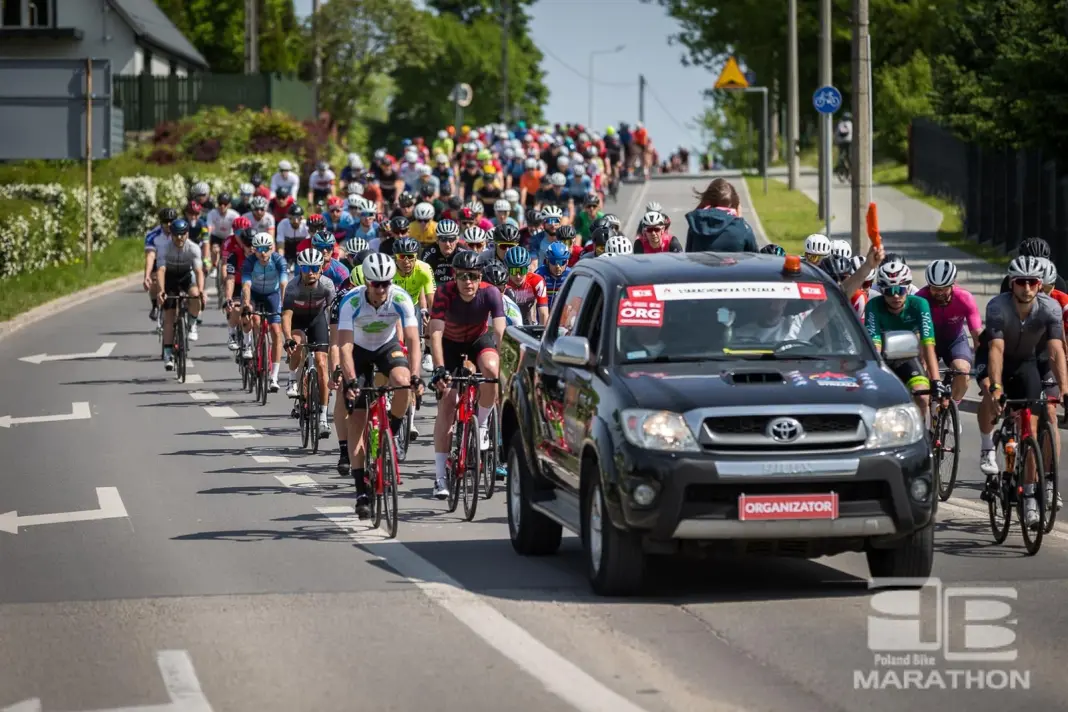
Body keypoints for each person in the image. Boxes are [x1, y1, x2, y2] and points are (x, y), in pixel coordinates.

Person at [976, 256, 1068, 528]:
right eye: (1021, 282)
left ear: (1040, 285)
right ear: (1011, 284)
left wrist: (1064, 388)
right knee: (988, 392)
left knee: (1030, 422)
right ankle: (986, 447)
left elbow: (1055, 349)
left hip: (1026, 361)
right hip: (996, 356)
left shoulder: (1050, 307)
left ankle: (1029, 495)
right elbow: (996, 349)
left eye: (1033, 282)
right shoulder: (997, 307)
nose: (1027, 288)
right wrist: (995, 387)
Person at [337, 253, 422, 516]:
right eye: (376, 284)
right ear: (368, 284)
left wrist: (417, 374)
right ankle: (361, 489)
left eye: (386, 282)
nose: (382, 288)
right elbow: (345, 346)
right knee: (358, 419)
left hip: (386, 347)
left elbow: (413, 339)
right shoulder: (351, 302)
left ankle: (393, 431)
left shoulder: (399, 297)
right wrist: (350, 380)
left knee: (403, 382)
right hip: (359, 352)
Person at [427, 250, 506, 499]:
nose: (468, 282)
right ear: (454, 276)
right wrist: (440, 368)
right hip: (449, 344)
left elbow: (500, 332)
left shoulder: (491, 293)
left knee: (491, 370)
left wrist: (502, 367)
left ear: (480, 275)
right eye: (462, 277)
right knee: (448, 403)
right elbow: (436, 333)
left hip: (477, 340)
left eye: (472, 276)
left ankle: (481, 424)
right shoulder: (444, 293)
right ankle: (440, 477)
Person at [865, 259, 943, 422]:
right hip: (884, 361)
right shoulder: (873, 305)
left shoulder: (920, 304)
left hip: (908, 359)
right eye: (889, 291)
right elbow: (875, 346)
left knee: (922, 397)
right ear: (881, 290)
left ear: (908, 288)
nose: (895, 296)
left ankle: (920, 434)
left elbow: (928, 345)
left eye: (900, 290)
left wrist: (936, 381)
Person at [281, 248, 336, 439]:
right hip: (298, 321)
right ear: (300, 269)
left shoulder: (328, 285)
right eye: (306, 268)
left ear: (321, 268)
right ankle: (291, 378)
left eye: (314, 267)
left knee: (322, 363)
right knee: (298, 342)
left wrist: (333, 335)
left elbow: (332, 313)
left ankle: (322, 417)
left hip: (317, 321)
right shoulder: (292, 287)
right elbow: (287, 315)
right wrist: (287, 337)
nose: (310, 272)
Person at [917, 259, 982, 404]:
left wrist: (984, 367)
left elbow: (977, 335)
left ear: (953, 284)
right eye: (934, 288)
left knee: (962, 371)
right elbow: (913, 334)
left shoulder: (965, 298)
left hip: (954, 340)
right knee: (922, 370)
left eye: (943, 289)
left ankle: (952, 407)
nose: (939, 293)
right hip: (927, 342)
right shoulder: (919, 298)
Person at [154, 218, 206, 370]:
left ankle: (192, 323)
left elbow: (198, 271)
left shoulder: (194, 248)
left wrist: (202, 290)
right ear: (171, 234)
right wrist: (161, 291)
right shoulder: (164, 248)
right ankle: (168, 353)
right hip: (170, 278)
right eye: (176, 234)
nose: (179, 238)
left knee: (195, 295)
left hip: (185, 276)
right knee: (169, 315)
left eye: (182, 234)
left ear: (187, 234)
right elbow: (161, 271)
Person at [240, 233, 289, 392]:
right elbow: (246, 286)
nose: (263, 253)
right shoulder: (249, 262)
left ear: (272, 248)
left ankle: (274, 377)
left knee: (276, 331)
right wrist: (247, 304)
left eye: (266, 249)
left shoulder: (279, 260)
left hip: (272, 295)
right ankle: (247, 345)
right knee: (252, 317)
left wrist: (285, 305)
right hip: (253, 294)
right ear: (254, 250)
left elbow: (283, 284)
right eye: (259, 249)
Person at [684, 178, 757, 252]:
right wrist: (740, 221)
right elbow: (755, 258)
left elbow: (689, 255)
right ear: (736, 205)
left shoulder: (696, 225)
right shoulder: (743, 229)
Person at [834, 112, 853, 176]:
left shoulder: (840, 124)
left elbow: (836, 133)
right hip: (849, 141)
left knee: (841, 154)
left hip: (840, 142)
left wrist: (835, 141)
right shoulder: (851, 124)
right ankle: (850, 168)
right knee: (848, 155)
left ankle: (841, 166)